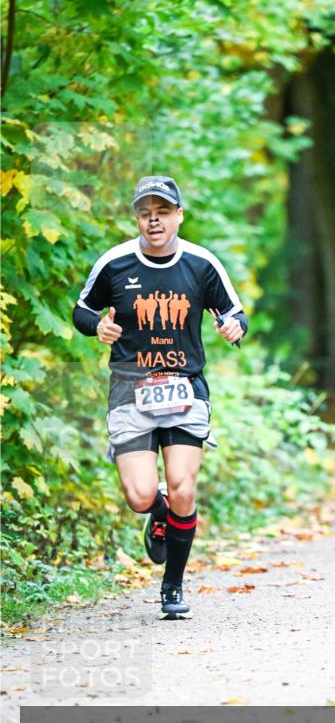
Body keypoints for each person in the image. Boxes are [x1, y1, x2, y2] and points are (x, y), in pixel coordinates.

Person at [73, 176, 247, 617]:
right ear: (137, 218)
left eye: (164, 211)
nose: (155, 219)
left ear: (178, 216)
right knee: (138, 495)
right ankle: (159, 510)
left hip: (185, 388)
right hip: (131, 389)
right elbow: (82, 310)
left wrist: (233, 327)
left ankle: (173, 587)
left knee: (185, 488)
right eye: (147, 212)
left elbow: (235, 312)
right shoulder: (114, 263)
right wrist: (98, 326)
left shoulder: (202, 264)